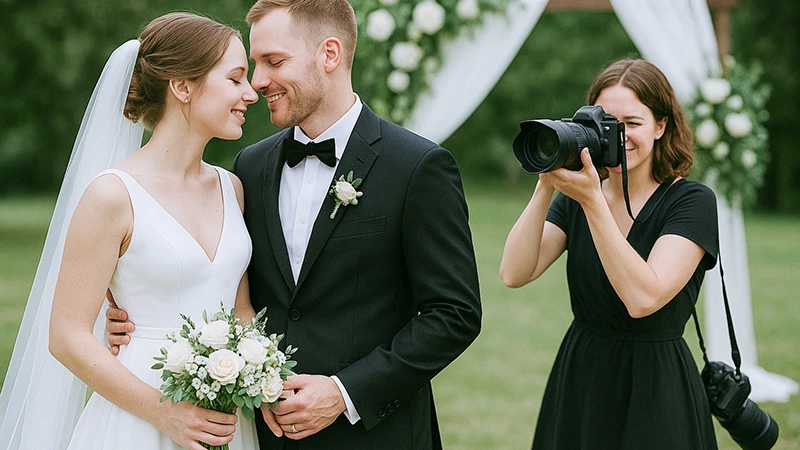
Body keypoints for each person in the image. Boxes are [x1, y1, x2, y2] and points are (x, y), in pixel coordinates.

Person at [106, 0, 483, 449]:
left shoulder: (417, 166)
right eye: (253, 65)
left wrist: (344, 393)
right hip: (262, 435)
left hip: (376, 437)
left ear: (329, 54)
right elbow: (222, 282)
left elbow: (454, 314)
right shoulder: (250, 168)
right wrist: (133, 319)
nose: (257, 81)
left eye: (274, 61)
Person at [0, 12, 261, 450]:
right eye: (235, 79)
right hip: (139, 417)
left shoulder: (231, 188)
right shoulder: (112, 195)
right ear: (182, 87)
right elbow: (66, 337)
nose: (251, 93)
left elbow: (240, 311)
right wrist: (165, 413)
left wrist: (261, 371)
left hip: (224, 420)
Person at [500, 59, 719, 449]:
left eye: (632, 123)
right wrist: (546, 183)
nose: (618, 136)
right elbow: (515, 273)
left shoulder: (691, 201)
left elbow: (642, 299)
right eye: (607, 122)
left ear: (661, 126)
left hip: (656, 384)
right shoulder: (577, 197)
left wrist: (593, 202)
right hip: (582, 376)